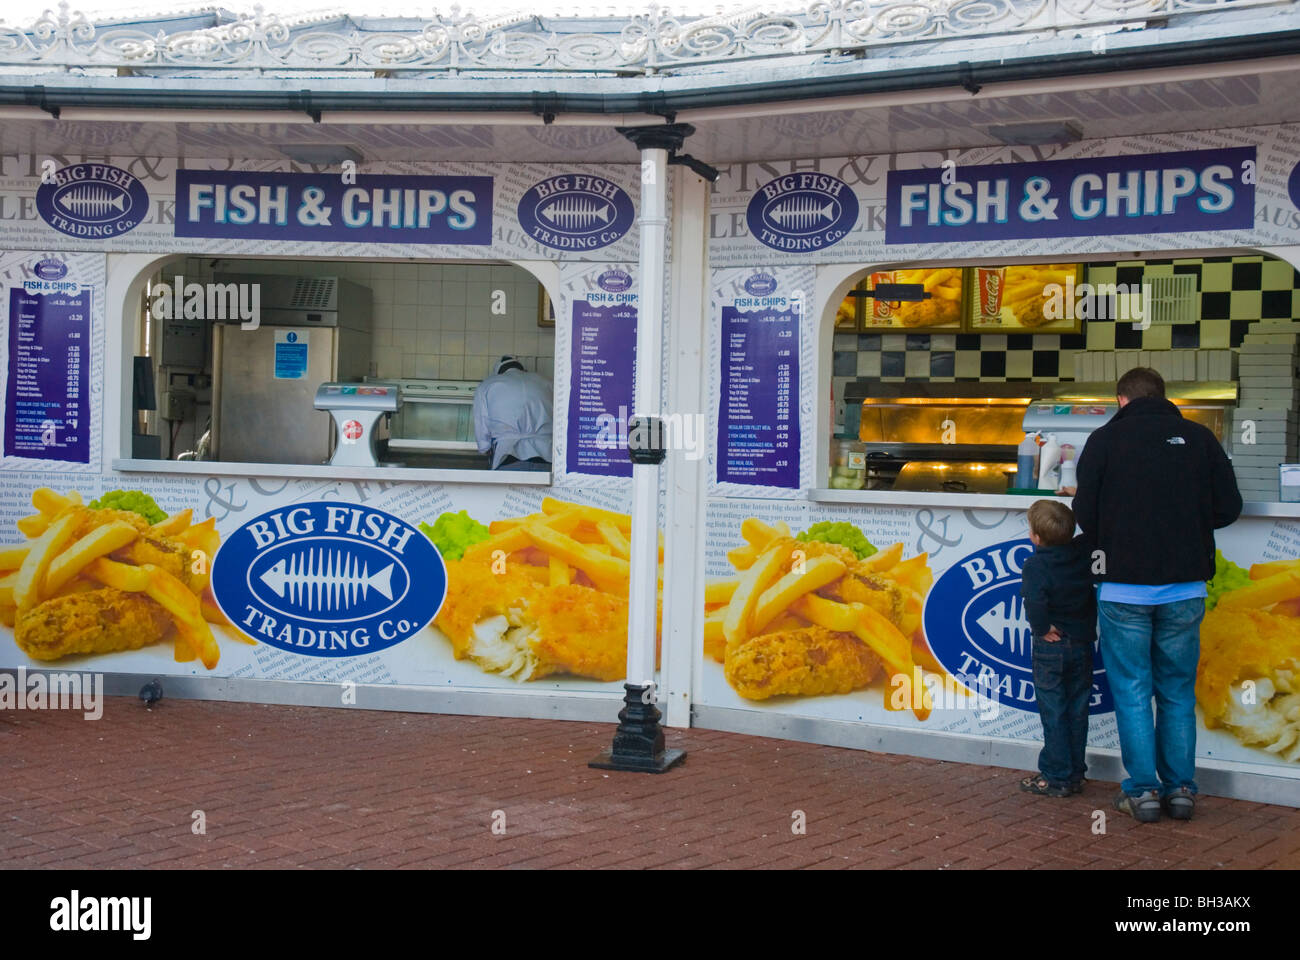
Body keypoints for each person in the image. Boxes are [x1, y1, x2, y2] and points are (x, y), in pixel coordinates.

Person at [1072, 367, 1241, 823]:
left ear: (1121, 400)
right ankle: (1182, 789)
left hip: (1122, 587)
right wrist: (1187, 521)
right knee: (1177, 692)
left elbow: (1084, 511)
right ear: (1163, 397)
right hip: (1184, 588)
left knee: (1131, 690)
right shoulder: (1199, 439)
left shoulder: (1104, 442)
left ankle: (1143, 793)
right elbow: (1229, 508)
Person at [1019, 500, 1096, 799]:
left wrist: (1041, 629)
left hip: (1051, 648)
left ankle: (1056, 776)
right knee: (1078, 709)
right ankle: (1076, 772)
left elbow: (1034, 601)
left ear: (1036, 538)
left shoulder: (1036, 564)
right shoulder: (1081, 552)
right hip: (1081, 644)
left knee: (1053, 711)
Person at [471, 356, 553, 471]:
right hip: (548, 458)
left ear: (499, 373)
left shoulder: (488, 385)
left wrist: (484, 447)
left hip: (508, 457)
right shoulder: (547, 382)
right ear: (523, 370)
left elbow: (482, 428)